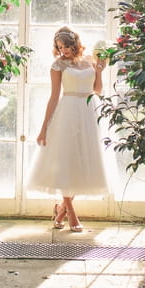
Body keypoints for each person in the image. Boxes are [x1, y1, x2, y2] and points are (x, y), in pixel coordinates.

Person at [26, 26, 112, 232]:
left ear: (74, 44)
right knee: (66, 161)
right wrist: (44, 128)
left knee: (82, 163)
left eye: (65, 47)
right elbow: (54, 96)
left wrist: (99, 71)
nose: (62, 51)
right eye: (59, 47)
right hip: (67, 113)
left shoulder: (90, 60)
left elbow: (97, 90)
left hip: (89, 111)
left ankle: (61, 209)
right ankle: (71, 213)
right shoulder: (58, 66)